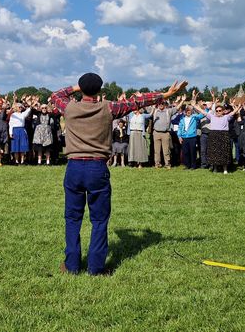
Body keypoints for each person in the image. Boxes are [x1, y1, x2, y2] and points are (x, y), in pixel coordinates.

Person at [51, 73, 187, 275]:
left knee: (72, 219)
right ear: (99, 90)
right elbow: (138, 102)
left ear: (81, 88)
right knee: (99, 220)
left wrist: (77, 87)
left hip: (74, 167)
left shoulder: (69, 107)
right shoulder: (108, 108)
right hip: (97, 167)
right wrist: (166, 94)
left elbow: (56, 95)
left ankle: (71, 266)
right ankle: (96, 268)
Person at [193, 96, 239, 174]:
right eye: (217, 111)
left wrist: (238, 107)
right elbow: (203, 112)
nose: (218, 112)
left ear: (223, 111)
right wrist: (194, 106)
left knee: (224, 153)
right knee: (214, 153)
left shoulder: (226, 117)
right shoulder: (212, 116)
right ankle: (215, 168)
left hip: (224, 135)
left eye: (220, 110)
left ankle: (225, 169)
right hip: (214, 135)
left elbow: (233, 112)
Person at [151, 101, 177, 168]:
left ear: (165, 105)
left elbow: (176, 108)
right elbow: (145, 108)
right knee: (157, 151)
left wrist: (182, 101)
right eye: (159, 103)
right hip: (156, 133)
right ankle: (157, 164)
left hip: (165, 133)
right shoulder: (155, 111)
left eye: (162, 103)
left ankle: (167, 164)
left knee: (166, 151)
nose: (161, 105)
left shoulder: (168, 111)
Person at [9, 96, 33, 165]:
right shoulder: (13, 115)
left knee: (22, 146)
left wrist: (30, 104)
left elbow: (28, 110)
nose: (20, 108)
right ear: (16, 108)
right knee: (16, 146)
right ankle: (16, 161)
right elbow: (11, 124)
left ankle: (22, 161)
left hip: (22, 130)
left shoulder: (23, 114)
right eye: (19, 107)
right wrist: (10, 133)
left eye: (21, 107)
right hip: (15, 130)